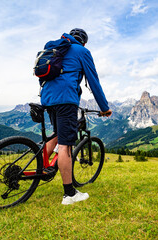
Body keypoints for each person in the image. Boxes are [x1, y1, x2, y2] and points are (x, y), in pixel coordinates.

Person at [40, 28, 112, 205]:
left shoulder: (54, 48)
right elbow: (93, 81)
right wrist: (104, 108)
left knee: (57, 135)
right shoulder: (82, 51)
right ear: (84, 42)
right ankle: (70, 194)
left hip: (47, 98)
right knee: (65, 145)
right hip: (66, 99)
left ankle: (42, 168)